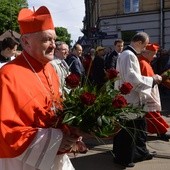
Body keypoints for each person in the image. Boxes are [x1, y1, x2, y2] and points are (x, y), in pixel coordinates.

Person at [0, 6, 79, 170]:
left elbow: (56, 109)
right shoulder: (7, 75)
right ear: (26, 41)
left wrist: (71, 133)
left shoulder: (50, 69)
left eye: (54, 40)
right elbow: (6, 132)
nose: (53, 45)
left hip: (54, 153)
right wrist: (55, 139)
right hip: (23, 161)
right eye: (46, 40)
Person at [113, 32, 162, 167]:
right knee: (129, 130)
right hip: (130, 98)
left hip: (131, 97)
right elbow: (132, 79)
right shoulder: (129, 55)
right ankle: (123, 158)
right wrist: (153, 80)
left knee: (140, 127)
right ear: (138, 42)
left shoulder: (127, 54)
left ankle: (141, 152)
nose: (145, 48)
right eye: (145, 45)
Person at [138, 43, 170, 141]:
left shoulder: (145, 61)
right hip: (147, 94)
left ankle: (161, 131)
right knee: (153, 115)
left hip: (150, 92)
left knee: (153, 114)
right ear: (147, 53)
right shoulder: (143, 62)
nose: (155, 56)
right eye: (154, 54)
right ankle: (162, 132)